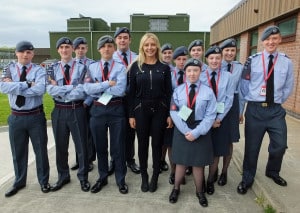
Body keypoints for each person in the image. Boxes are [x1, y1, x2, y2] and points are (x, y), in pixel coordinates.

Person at [237, 26, 294, 194]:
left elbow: (288, 86)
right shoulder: (252, 60)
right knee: (252, 147)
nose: (271, 42)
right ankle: (247, 178)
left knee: (280, 145)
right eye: (268, 39)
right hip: (255, 110)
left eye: (274, 38)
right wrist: (249, 103)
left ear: (279, 40)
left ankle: (272, 171)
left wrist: (276, 100)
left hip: (275, 110)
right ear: (262, 42)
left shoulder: (286, 61)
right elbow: (244, 85)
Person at [0, 41, 51, 197]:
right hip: (16, 117)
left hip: (35, 116)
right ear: (16, 53)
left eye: (28, 52)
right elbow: (2, 87)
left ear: (32, 54)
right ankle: (19, 181)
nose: (25, 55)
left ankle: (44, 181)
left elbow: (40, 89)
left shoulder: (39, 70)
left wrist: (15, 86)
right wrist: (27, 84)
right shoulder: (8, 69)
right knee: (18, 152)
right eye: (21, 52)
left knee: (41, 151)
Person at [127, 33, 173, 193]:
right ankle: (144, 176)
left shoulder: (164, 68)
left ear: (157, 46)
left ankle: (155, 176)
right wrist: (131, 115)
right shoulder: (135, 67)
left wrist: (169, 114)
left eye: (152, 45)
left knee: (157, 144)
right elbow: (131, 93)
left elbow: (169, 92)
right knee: (143, 144)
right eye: (146, 45)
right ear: (142, 47)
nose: (150, 48)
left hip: (160, 109)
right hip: (141, 110)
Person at [168, 58, 217, 207]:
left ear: (200, 72)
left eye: (195, 70)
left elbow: (210, 115)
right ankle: (176, 189)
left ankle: (199, 191)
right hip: (182, 129)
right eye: (189, 70)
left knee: (198, 164)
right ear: (185, 72)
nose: (192, 73)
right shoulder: (178, 90)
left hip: (200, 129)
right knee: (181, 162)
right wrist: (185, 131)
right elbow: (174, 111)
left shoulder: (208, 91)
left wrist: (196, 132)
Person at [83, 35, 128, 194]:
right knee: (100, 146)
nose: (107, 49)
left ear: (114, 49)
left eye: (110, 46)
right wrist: (107, 83)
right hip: (98, 110)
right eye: (104, 46)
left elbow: (120, 90)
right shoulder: (92, 67)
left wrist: (98, 86)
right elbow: (87, 89)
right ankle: (102, 178)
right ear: (99, 49)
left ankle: (121, 180)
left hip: (116, 110)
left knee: (118, 148)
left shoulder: (121, 68)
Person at [46, 37, 90, 192]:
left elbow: (83, 89)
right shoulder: (51, 69)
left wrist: (61, 89)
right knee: (61, 147)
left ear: (72, 49)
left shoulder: (82, 67)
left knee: (81, 146)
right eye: (61, 47)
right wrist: (72, 88)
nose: (64, 50)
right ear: (58, 50)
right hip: (58, 110)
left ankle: (83, 177)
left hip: (76, 109)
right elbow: (50, 90)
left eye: (67, 47)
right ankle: (63, 176)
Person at [200, 46, 234, 195]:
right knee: (201, 151)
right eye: (211, 58)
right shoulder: (200, 75)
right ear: (206, 59)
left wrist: (218, 118)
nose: (214, 61)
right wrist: (207, 120)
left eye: (217, 58)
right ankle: (199, 180)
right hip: (203, 119)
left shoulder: (228, 76)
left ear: (221, 59)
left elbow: (229, 99)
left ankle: (210, 180)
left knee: (216, 152)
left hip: (220, 119)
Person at [111, 27, 140, 175]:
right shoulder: (111, 57)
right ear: (116, 40)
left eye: (125, 37)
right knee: (115, 132)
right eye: (120, 37)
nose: (122, 40)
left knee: (130, 131)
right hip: (115, 99)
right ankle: (114, 160)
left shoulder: (137, 57)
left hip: (132, 99)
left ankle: (130, 159)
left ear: (130, 40)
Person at [217, 38, 244, 186]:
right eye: (226, 50)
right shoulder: (215, 64)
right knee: (215, 137)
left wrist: (241, 110)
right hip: (217, 103)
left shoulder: (239, 67)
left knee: (228, 140)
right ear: (222, 52)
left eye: (232, 50)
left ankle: (224, 171)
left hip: (233, 104)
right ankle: (213, 170)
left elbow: (241, 90)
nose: (229, 53)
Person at [70, 36, 95, 172]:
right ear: (74, 49)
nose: (80, 50)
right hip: (74, 103)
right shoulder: (71, 64)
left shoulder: (92, 64)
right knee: (77, 133)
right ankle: (80, 159)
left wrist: (87, 102)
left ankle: (89, 159)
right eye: (78, 48)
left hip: (88, 103)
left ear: (86, 49)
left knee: (89, 133)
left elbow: (95, 85)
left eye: (83, 48)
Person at [168, 45, 189, 184]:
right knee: (171, 144)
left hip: (188, 113)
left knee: (185, 142)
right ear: (174, 60)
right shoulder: (169, 74)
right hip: (172, 112)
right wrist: (169, 115)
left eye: (184, 59)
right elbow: (167, 94)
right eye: (179, 59)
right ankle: (173, 171)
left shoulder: (192, 73)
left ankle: (183, 170)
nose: (182, 62)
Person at [160, 43, 174, 173]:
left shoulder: (176, 70)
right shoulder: (159, 68)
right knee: (162, 138)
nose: (167, 55)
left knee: (171, 139)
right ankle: (161, 160)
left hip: (176, 108)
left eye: (170, 52)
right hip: (163, 108)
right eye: (165, 53)